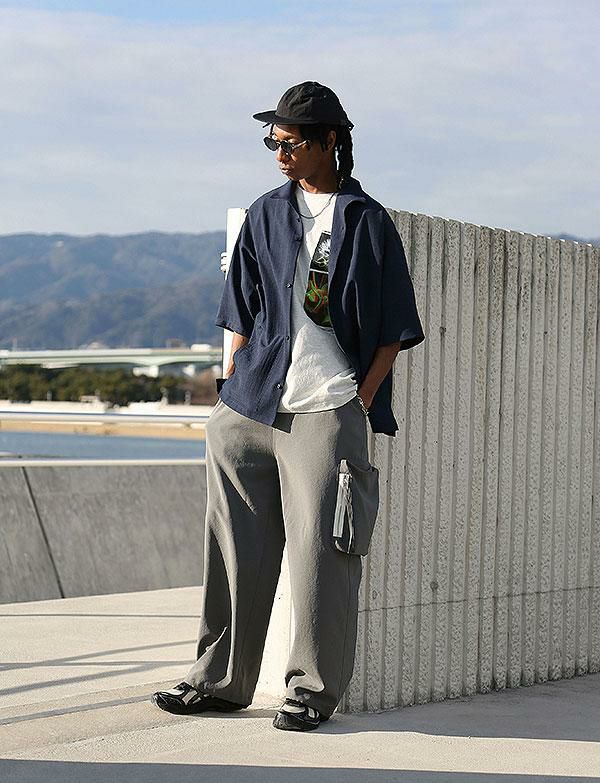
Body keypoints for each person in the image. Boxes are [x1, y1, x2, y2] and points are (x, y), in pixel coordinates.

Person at [151, 81, 425, 731]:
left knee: (324, 554)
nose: (279, 154)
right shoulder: (265, 213)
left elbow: (394, 325)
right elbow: (240, 309)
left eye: (292, 142)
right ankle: (220, 680)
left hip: (326, 405)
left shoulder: (366, 221)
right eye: (273, 141)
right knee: (233, 550)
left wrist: (359, 398)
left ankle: (311, 691)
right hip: (250, 404)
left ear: (330, 142)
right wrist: (232, 384)